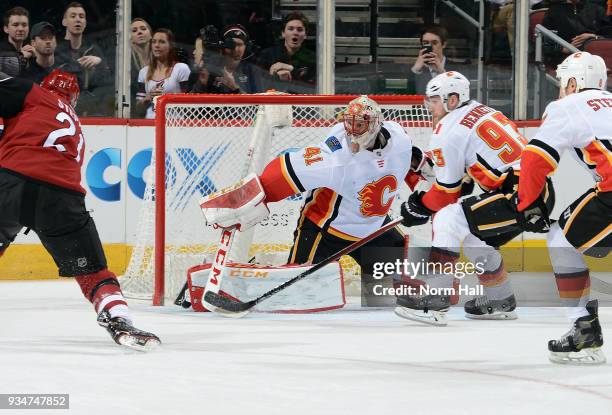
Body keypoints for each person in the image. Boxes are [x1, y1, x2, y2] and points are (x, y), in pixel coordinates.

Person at [201, 95, 428, 305]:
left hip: (374, 231)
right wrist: (240, 201)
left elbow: (412, 160)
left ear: (376, 124)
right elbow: (280, 175)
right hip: (324, 233)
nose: (352, 131)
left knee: (389, 294)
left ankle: (377, 288)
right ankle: (241, 282)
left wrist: (430, 188)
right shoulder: (335, 158)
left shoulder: (398, 137)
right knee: (297, 294)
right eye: (349, 123)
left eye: (359, 125)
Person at [0, 69, 160, 351]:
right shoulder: (75, 123)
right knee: (95, 272)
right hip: (61, 196)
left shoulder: (32, 92)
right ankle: (119, 317)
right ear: (73, 99)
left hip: (10, 181)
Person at [395, 71, 555, 326]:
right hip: (539, 192)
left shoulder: (447, 129)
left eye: (435, 100)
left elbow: (446, 194)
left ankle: (435, 301)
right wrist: (429, 167)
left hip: (518, 196)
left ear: (453, 99)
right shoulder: (484, 111)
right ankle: (500, 300)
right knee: (471, 235)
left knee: (448, 218)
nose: (430, 107)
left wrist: (418, 207)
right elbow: (469, 168)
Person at [515, 52, 610, 365]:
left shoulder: (567, 106)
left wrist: (528, 205)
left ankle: (585, 330)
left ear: (573, 82)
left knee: (560, 239)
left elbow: (533, 159)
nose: (560, 89)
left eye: (562, 82)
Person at [55, 2, 111, 116]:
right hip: (62, 109)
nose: (78, 20)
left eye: (81, 17)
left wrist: (100, 63)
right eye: (73, 16)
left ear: (85, 23)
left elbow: (107, 80)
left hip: (90, 110)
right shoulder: (57, 50)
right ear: (64, 22)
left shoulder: (94, 50)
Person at [136, 28, 190, 119]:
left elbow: (190, 102)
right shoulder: (143, 72)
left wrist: (165, 98)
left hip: (175, 123)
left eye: (162, 42)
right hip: (150, 122)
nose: (157, 45)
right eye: (154, 42)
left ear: (170, 46)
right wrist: (147, 98)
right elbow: (138, 108)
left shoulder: (181, 69)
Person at [256, 12, 315, 92]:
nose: (295, 33)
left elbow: (313, 88)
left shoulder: (313, 58)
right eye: (290, 29)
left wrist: (292, 71)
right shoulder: (267, 55)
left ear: (305, 35)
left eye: (300, 30)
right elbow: (257, 85)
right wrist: (271, 76)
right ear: (283, 33)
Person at [542, 0, 612, 66]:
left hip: (594, 57)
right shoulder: (553, 11)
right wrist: (563, 49)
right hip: (565, 60)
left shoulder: (597, 10)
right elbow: (545, 44)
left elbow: (608, 36)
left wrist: (594, 36)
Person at [206, 24, 259, 94]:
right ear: (223, 45)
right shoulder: (211, 68)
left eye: (239, 45)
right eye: (231, 44)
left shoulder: (252, 71)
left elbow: (257, 102)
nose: (236, 49)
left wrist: (235, 88)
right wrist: (201, 84)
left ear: (246, 47)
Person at [408, 25, 457, 94]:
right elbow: (405, 95)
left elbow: (460, 94)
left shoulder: (457, 69)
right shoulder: (415, 69)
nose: (430, 47)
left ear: (444, 44)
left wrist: (442, 73)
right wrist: (415, 70)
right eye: (425, 43)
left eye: (434, 43)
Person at [0, 6, 34, 77]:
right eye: (15, 25)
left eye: (24, 25)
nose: (21, 29)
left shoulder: (30, 51)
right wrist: (22, 56)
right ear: (6, 29)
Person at [130, 18, 152, 116]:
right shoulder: (127, 63)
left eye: (143, 29)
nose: (139, 32)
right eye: (134, 31)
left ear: (151, 35)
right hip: (134, 113)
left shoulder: (161, 60)